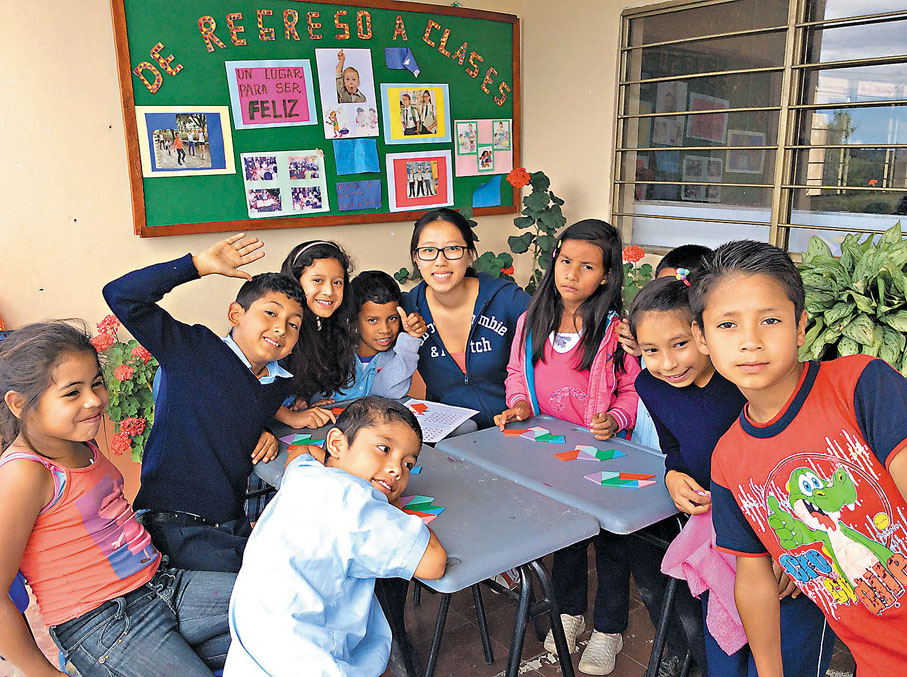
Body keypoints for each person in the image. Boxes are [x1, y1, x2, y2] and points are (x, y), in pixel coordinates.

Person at [690, 240, 907, 675]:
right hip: (876, 658)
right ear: (702, 336)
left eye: (770, 320)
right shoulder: (729, 459)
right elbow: (753, 579)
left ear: (800, 326)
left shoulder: (860, 385)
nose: (750, 341)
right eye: (728, 325)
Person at [0, 322, 236, 676]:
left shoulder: (79, 441)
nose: (94, 399)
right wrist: (42, 673)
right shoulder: (25, 473)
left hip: (163, 586)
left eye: (96, 382)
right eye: (71, 393)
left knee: (282, 604)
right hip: (102, 625)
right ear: (20, 404)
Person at [629, 275, 835, 676]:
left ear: (703, 334)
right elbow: (673, 445)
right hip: (722, 540)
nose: (667, 363)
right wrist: (673, 474)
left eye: (679, 345)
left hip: (786, 541)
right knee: (725, 655)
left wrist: (798, 545)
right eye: (651, 350)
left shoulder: (748, 383)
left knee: (786, 656)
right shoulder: (649, 385)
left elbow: (804, 464)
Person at [103, 234, 305, 572]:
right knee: (273, 596)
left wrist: (263, 427)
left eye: (293, 324)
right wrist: (197, 266)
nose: (280, 328)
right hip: (175, 525)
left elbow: (231, 402)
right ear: (235, 314)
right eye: (270, 313)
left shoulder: (276, 383)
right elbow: (120, 295)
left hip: (229, 524)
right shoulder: (192, 350)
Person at [494, 220, 641, 676]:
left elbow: (634, 390)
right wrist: (518, 404)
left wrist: (616, 418)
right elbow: (518, 374)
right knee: (569, 539)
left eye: (587, 266)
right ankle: (570, 615)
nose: (572, 274)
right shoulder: (530, 320)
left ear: (607, 275)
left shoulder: (615, 332)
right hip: (551, 453)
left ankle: (609, 629)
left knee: (615, 544)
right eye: (565, 261)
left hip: (605, 456)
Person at [224, 397, 446, 676]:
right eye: (384, 448)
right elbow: (433, 563)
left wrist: (334, 459)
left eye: (408, 464)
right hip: (309, 662)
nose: (396, 469)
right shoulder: (358, 506)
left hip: (252, 652)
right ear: (338, 443)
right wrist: (396, 511)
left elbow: (302, 451)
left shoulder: (307, 476)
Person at [401, 208, 530, 429]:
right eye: (428, 250)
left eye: (452, 249)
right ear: (416, 257)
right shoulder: (407, 309)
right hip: (448, 437)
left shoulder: (507, 299)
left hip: (512, 427)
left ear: (470, 254)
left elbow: (558, 333)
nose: (440, 261)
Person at [315, 271, 424, 403]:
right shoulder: (333, 352)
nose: (385, 330)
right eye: (373, 320)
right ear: (353, 319)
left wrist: (411, 339)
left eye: (392, 318)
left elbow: (388, 391)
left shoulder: (399, 355)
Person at [279, 240, 358, 417]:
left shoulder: (324, 328)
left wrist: (306, 399)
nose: (329, 291)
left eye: (337, 282)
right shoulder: (277, 329)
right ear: (296, 281)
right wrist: (289, 415)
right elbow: (253, 388)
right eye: (317, 280)